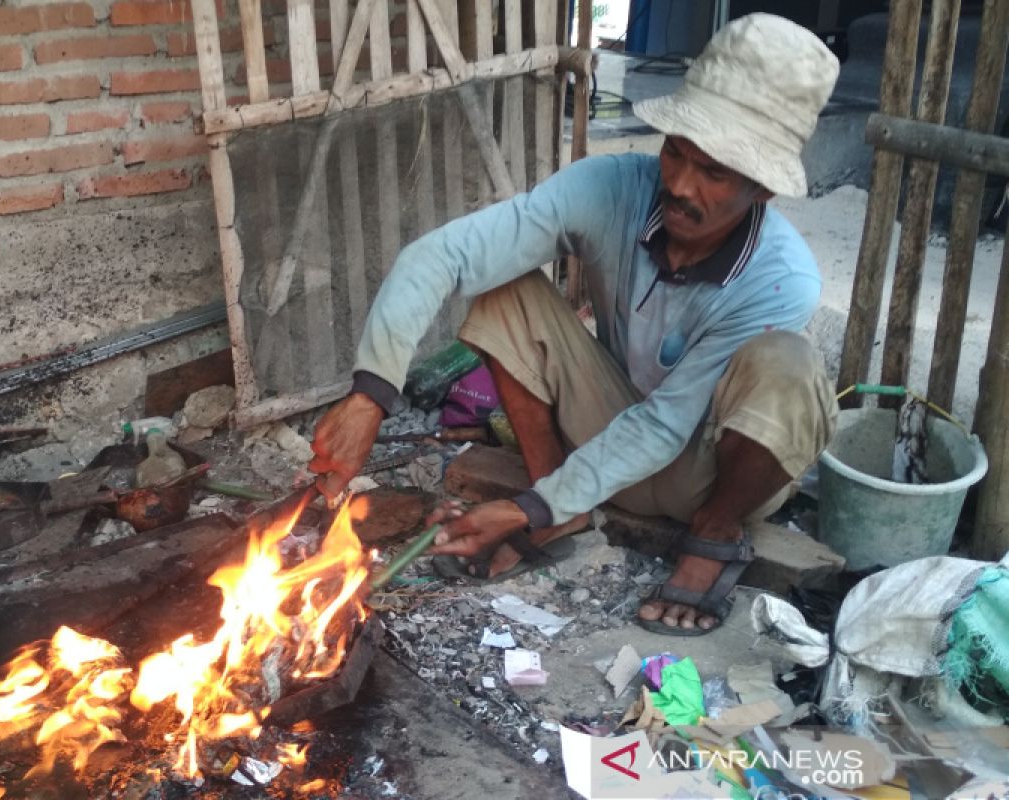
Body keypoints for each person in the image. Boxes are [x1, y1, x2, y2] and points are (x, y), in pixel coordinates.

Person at [310, 13, 840, 635]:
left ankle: (712, 537)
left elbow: (667, 424)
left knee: (791, 365)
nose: (680, 185)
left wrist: (520, 510)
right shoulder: (609, 186)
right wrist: (369, 395)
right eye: (674, 152)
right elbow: (442, 256)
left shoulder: (781, 278)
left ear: (762, 190)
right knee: (503, 284)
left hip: (708, 466)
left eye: (715, 172)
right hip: (614, 432)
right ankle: (556, 506)